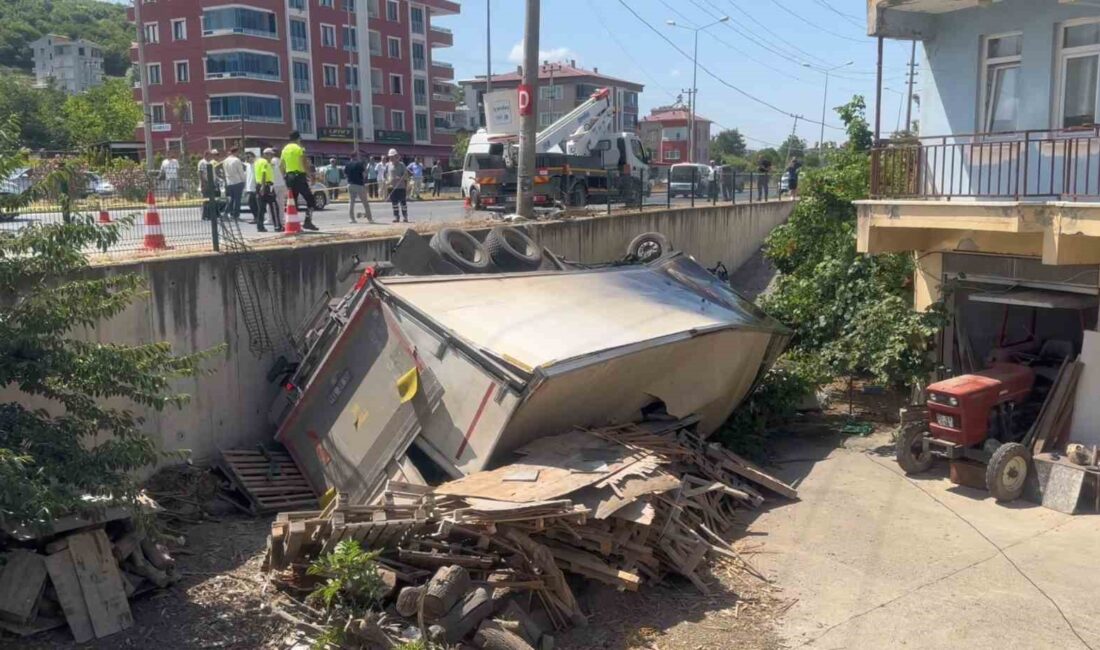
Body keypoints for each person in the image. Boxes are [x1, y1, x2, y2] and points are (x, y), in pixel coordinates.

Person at [280, 131, 319, 230]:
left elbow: (281, 166)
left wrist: (284, 176)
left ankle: (293, 224)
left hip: (289, 176)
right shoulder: (299, 148)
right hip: (299, 176)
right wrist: (311, 176)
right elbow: (304, 163)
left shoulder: (284, 149)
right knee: (310, 199)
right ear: (298, 138)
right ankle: (308, 221)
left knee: (293, 202)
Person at [344, 152, 373, 224]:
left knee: (351, 203)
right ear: (356, 156)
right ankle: (369, 219)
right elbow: (364, 174)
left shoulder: (347, 164)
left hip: (350, 184)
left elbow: (345, 174)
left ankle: (352, 219)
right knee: (365, 203)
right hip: (359, 185)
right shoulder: (359, 164)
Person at [253, 150, 278, 232]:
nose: (271, 157)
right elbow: (263, 173)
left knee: (261, 208)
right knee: (274, 206)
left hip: (259, 185)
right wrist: (263, 187)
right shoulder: (265, 162)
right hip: (267, 186)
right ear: (265, 155)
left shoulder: (257, 162)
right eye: (270, 155)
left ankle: (260, 227)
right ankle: (277, 226)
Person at [384, 148, 409, 223]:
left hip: (401, 187)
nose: (391, 158)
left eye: (392, 156)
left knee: (403, 202)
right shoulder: (388, 165)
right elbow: (385, 174)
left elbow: (406, 175)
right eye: (390, 156)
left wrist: (400, 177)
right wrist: (387, 181)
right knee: (394, 203)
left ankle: (405, 216)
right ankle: (396, 216)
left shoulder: (402, 165)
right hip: (391, 187)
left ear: (396, 156)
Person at [222, 146, 246, 220]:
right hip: (237, 181)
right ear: (236, 152)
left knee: (231, 199)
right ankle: (236, 215)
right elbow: (241, 171)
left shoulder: (225, 160)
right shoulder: (236, 160)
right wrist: (244, 180)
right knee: (237, 199)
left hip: (229, 181)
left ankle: (226, 213)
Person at [270, 148, 288, 230]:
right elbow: (284, 172)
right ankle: (282, 219)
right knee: (281, 203)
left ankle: (271, 219)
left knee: (272, 203)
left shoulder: (270, 161)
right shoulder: (281, 161)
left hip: (273, 184)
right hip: (282, 183)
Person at [198, 150, 218, 221]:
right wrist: (204, 184)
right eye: (210, 155)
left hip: (211, 183)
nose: (211, 156)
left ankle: (209, 215)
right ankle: (205, 215)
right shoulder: (202, 162)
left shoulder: (209, 162)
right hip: (206, 183)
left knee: (210, 200)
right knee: (206, 200)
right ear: (206, 155)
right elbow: (201, 173)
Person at [243, 151, 258, 221]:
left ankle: (257, 218)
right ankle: (256, 217)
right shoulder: (248, 166)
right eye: (246, 157)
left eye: (248, 157)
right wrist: (246, 188)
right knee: (251, 203)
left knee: (255, 204)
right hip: (249, 188)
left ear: (253, 157)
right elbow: (247, 177)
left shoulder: (256, 164)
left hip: (255, 187)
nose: (247, 159)